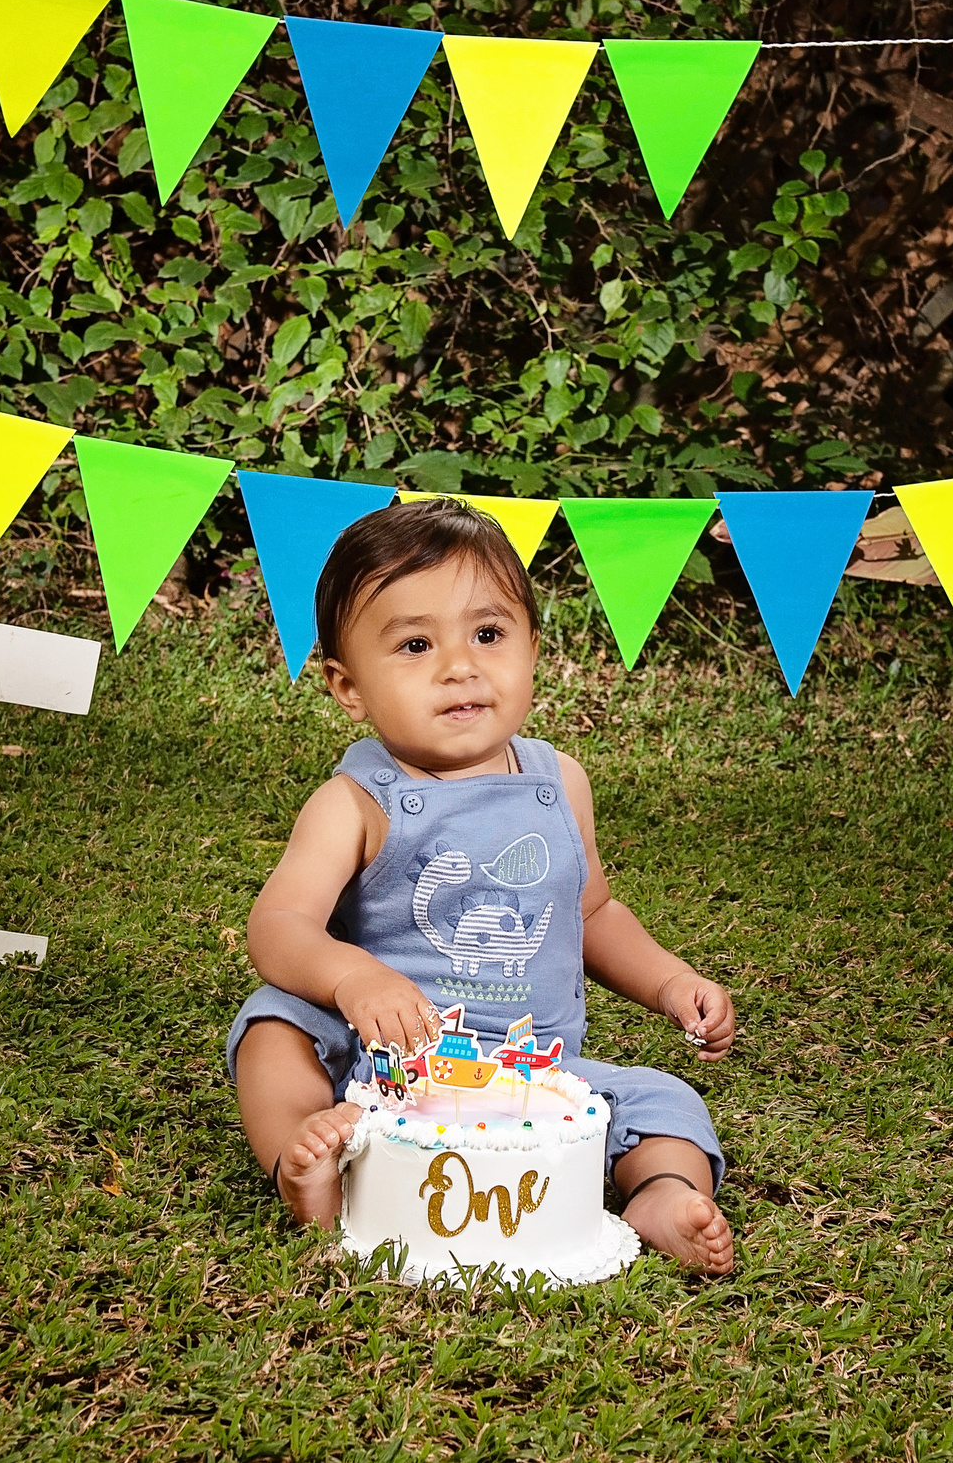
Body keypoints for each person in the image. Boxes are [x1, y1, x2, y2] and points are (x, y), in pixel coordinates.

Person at [227, 497, 737, 1272]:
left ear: (532, 647)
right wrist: (354, 976)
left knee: (668, 1103)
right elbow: (280, 925)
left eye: (488, 634)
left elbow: (590, 911)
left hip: (536, 1071)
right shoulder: (358, 800)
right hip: (383, 1065)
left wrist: (670, 981)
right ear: (347, 685)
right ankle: (309, 1150)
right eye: (416, 643)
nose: (459, 665)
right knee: (270, 1027)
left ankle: (658, 1196)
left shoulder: (560, 781)